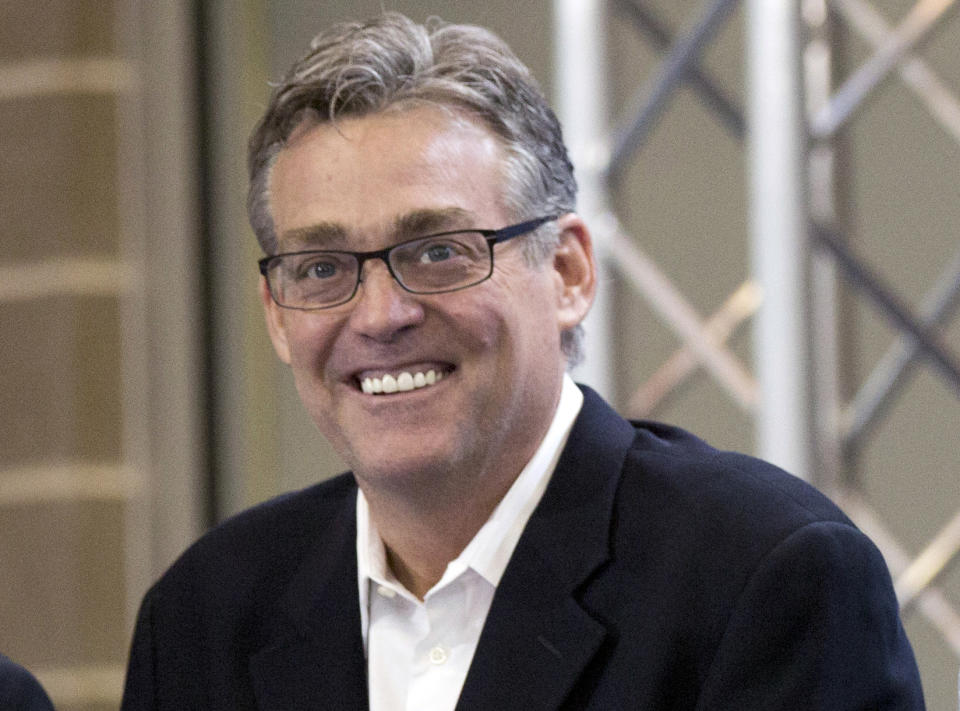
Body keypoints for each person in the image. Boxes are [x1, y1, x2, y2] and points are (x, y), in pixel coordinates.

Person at [121, 12, 924, 710]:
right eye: (322, 268)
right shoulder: (204, 615)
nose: (380, 315)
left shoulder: (763, 576)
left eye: (438, 250)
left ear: (568, 272)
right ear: (274, 313)